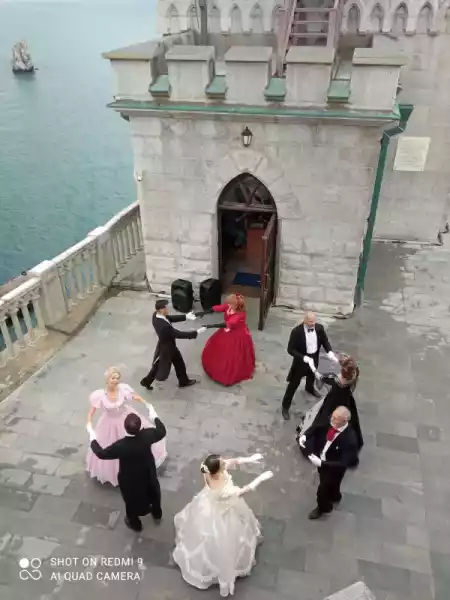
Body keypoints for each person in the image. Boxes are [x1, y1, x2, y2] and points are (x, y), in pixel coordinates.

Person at [173, 453, 273, 597]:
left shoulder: (208, 469)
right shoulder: (223, 490)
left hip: (209, 505)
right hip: (223, 513)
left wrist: (249, 459)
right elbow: (243, 490)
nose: (225, 463)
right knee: (225, 541)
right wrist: (259, 479)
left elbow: (231, 462)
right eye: (222, 463)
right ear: (218, 471)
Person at [87, 406, 166, 532]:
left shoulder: (121, 446)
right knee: (154, 491)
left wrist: (93, 438)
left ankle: (135, 523)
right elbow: (162, 431)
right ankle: (157, 513)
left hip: (129, 478)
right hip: (148, 472)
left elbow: (101, 454)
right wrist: (154, 415)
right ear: (140, 426)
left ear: (125, 427)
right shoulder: (148, 435)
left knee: (131, 500)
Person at [86, 367, 167, 486]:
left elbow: (135, 396)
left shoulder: (123, 389)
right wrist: (89, 424)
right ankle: (114, 471)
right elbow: (91, 412)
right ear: (107, 379)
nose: (115, 380)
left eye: (117, 378)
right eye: (113, 378)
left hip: (126, 418)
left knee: (130, 442)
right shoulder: (100, 396)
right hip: (109, 422)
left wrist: (146, 403)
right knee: (112, 445)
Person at [297, 354, 363, 465]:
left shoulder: (337, 381)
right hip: (344, 402)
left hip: (332, 402)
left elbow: (321, 377)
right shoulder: (350, 380)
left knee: (323, 420)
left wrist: (313, 368)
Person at [298, 406, 358, 519]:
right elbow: (317, 426)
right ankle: (335, 495)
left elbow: (344, 463)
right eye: (332, 417)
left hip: (333, 468)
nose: (331, 420)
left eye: (336, 419)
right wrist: (305, 435)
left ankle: (323, 507)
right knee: (332, 484)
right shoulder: (331, 420)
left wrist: (322, 464)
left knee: (322, 490)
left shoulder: (350, 439)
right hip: (321, 459)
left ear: (344, 421)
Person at [281, 311, 338, 420]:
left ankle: (309, 388)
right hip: (301, 362)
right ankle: (285, 406)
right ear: (305, 320)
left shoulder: (319, 328)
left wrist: (330, 352)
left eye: (314, 321)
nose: (312, 324)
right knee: (293, 384)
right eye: (310, 322)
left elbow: (325, 341)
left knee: (312, 376)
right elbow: (290, 349)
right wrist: (303, 357)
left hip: (314, 358)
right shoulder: (296, 332)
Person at [140, 299, 206, 390]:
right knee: (160, 365)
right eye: (166, 307)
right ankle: (147, 381)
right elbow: (178, 334)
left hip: (166, 344)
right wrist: (196, 332)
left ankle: (183, 381)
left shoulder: (156, 315)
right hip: (167, 348)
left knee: (177, 363)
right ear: (161, 310)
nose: (168, 309)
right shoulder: (164, 327)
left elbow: (169, 318)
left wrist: (185, 317)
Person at [198, 293, 255, 386]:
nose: (227, 305)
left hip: (237, 335)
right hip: (227, 330)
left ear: (236, 305)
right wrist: (204, 312)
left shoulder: (240, 315)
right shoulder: (229, 306)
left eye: (230, 303)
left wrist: (209, 326)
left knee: (232, 354)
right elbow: (218, 308)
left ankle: (227, 374)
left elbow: (228, 323)